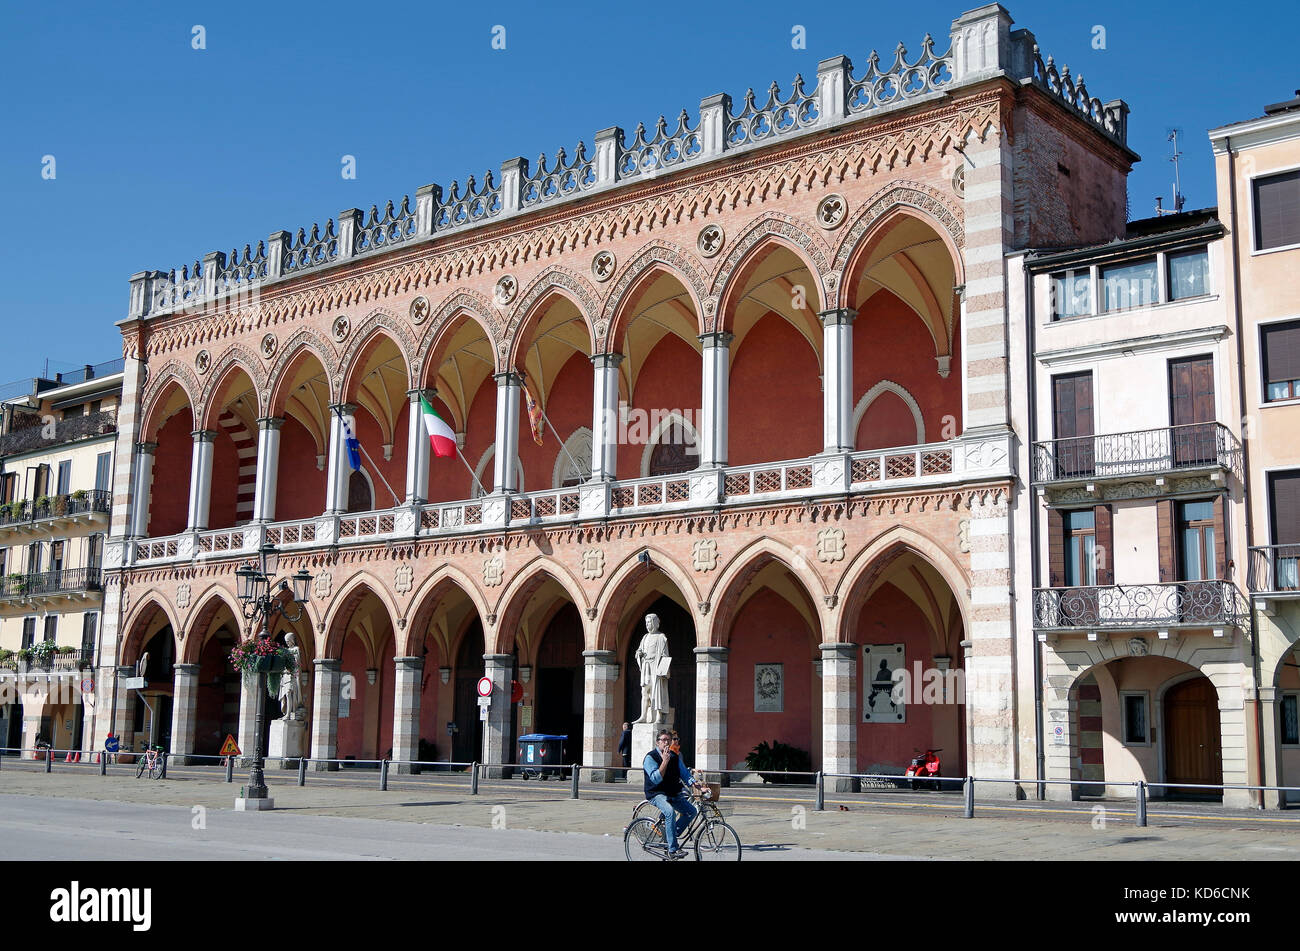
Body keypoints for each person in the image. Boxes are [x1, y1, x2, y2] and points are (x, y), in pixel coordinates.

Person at [643, 728, 703, 859]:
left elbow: (685, 774)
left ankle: (671, 835)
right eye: (663, 740)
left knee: (691, 811)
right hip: (656, 793)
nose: (666, 743)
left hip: (673, 792)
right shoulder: (650, 757)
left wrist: (695, 784)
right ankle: (672, 849)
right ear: (657, 742)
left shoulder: (674, 756)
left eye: (668, 741)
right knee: (669, 812)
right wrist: (664, 761)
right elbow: (655, 779)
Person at [634, 614, 670, 723]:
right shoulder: (645, 637)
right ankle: (643, 716)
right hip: (646, 666)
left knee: (657, 691)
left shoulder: (661, 637)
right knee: (645, 691)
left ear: (654, 623)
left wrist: (662, 670)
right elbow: (639, 650)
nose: (647, 625)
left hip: (656, 666)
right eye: (646, 622)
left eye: (649, 622)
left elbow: (665, 655)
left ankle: (659, 717)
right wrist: (638, 653)